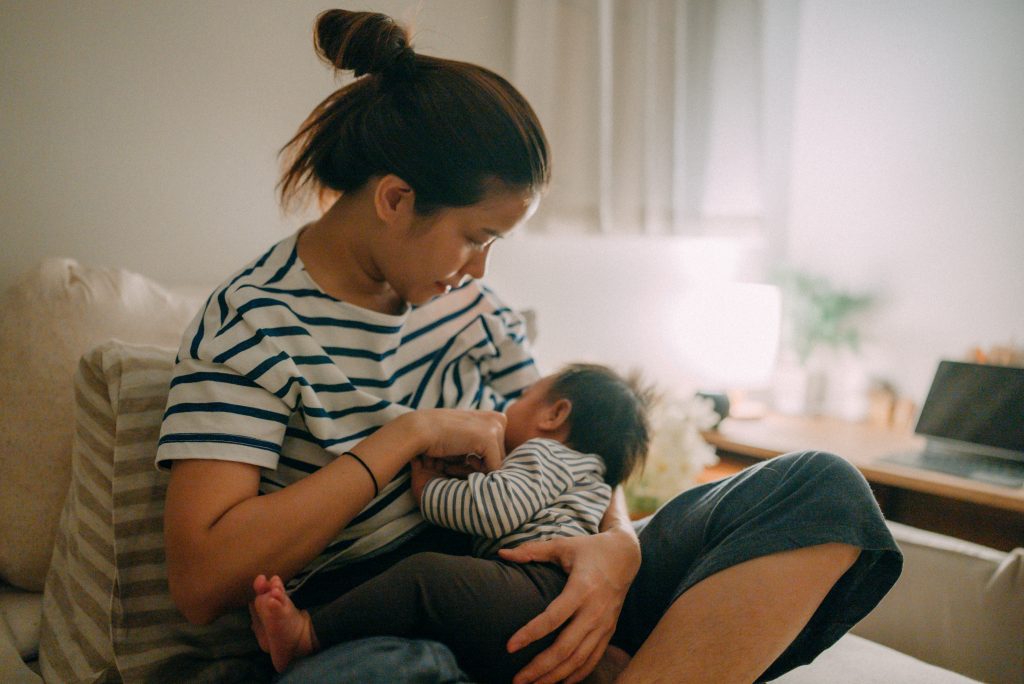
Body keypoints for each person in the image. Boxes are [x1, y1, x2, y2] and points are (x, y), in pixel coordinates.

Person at [158, 9, 902, 684]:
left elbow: (580, 444)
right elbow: (202, 580)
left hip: (535, 564)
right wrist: (407, 435)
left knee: (823, 487)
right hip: (383, 608)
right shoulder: (255, 322)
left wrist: (614, 553)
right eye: (476, 238)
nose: (481, 270)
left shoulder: (476, 311)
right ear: (395, 200)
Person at [249, 363, 651, 681]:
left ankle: (307, 634)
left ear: (556, 414)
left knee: (424, 577)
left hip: (538, 588)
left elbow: (497, 509)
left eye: (524, 395)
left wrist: (429, 489)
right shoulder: (587, 473)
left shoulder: (544, 454)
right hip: (541, 598)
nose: (510, 402)